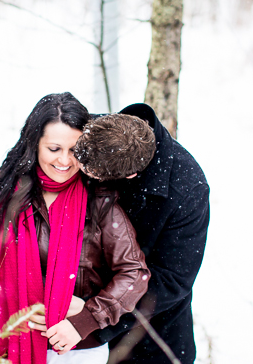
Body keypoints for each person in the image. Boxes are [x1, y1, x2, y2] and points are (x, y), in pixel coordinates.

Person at [0, 93, 150, 364]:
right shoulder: (7, 192)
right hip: (8, 342)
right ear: (34, 146)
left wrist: (86, 319)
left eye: (74, 150)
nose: (65, 161)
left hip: (73, 351)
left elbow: (134, 273)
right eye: (54, 149)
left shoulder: (99, 201)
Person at [73, 105, 210, 364]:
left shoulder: (187, 189)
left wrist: (95, 316)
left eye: (89, 174)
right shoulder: (92, 134)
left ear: (127, 177)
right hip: (68, 316)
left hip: (146, 335)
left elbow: (172, 280)